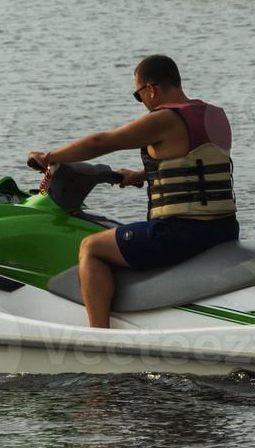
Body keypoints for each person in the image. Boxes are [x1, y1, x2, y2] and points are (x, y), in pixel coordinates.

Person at [27, 55, 238, 329]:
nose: (142, 102)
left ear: (150, 88)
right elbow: (199, 164)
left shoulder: (164, 119)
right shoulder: (214, 115)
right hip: (224, 229)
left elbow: (102, 142)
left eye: (138, 95)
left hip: (181, 233)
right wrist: (141, 175)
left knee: (91, 247)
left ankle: (99, 337)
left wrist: (49, 156)